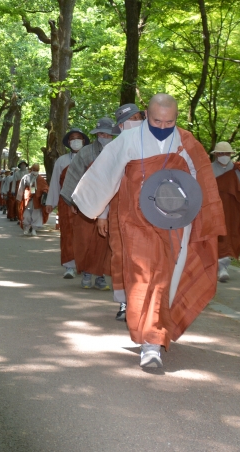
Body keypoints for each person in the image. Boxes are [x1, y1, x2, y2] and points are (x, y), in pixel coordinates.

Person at [72, 94, 225, 369]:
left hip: (175, 224)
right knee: (144, 277)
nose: (163, 126)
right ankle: (150, 341)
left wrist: (205, 220)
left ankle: (152, 338)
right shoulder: (128, 141)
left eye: (170, 121)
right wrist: (102, 212)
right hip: (136, 222)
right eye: (157, 120)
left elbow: (202, 184)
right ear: (146, 114)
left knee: (163, 279)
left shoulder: (186, 142)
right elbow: (106, 177)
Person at [60, 118, 118, 292]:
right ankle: (86, 272)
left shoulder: (119, 151)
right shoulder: (86, 152)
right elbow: (74, 176)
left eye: (108, 134)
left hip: (110, 202)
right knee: (84, 238)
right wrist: (73, 201)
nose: (105, 136)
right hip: (86, 202)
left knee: (105, 241)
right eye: (101, 133)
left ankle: (100, 276)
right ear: (96, 135)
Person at [106, 103, 144, 320]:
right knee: (120, 255)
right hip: (118, 211)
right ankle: (123, 303)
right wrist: (102, 215)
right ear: (120, 127)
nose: (134, 122)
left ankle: (146, 304)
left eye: (138, 117)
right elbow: (104, 184)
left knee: (147, 257)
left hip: (148, 210)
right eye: (129, 120)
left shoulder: (157, 144)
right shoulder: (114, 149)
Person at [211, 141, 240, 282]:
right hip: (214, 210)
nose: (223, 155)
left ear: (230, 155)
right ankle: (218, 267)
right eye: (221, 153)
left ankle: (223, 266)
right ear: (216, 155)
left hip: (233, 211)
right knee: (216, 237)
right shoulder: (207, 170)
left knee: (231, 236)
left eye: (226, 153)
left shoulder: (238, 171)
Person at [45, 128, 89, 279]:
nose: (75, 140)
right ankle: (69, 266)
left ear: (84, 141)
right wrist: (51, 202)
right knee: (67, 234)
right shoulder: (62, 161)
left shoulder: (91, 158)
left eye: (79, 138)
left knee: (86, 234)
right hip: (66, 202)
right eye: (72, 138)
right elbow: (55, 183)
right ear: (68, 142)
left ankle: (86, 266)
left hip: (87, 203)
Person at [17, 163, 49, 235]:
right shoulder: (26, 177)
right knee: (26, 214)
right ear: (31, 169)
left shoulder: (41, 179)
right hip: (28, 198)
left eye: (37, 170)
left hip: (37, 200)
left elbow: (46, 187)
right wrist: (19, 198)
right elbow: (21, 188)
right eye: (34, 169)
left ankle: (34, 229)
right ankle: (27, 228)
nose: (35, 171)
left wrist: (44, 192)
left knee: (36, 214)